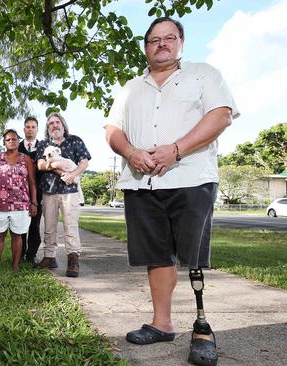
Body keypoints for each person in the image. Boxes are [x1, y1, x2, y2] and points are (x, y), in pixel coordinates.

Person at [104, 17, 238, 366]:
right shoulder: (131, 87)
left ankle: (202, 328)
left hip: (191, 178)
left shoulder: (204, 74)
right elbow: (113, 130)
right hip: (142, 182)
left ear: (180, 42)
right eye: (154, 39)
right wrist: (132, 153)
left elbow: (221, 115)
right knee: (157, 254)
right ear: (145, 46)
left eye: (169, 38)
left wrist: (175, 149)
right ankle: (161, 323)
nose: (161, 44)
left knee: (193, 255)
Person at [35, 113, 90, 277]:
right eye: (50, 123)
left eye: (57, 122)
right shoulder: (44, 143)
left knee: (70, 226)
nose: (54, 125)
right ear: (47, 127)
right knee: (49, 227)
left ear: (63, 124)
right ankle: (49, 257)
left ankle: (73, 260)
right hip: (49, 191)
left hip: (69, 192)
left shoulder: (75, 140)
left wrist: (73, 175)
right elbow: (40, 164)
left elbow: (84, 162)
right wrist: (59, 169)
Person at [0, 129, 37, 272]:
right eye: (8, 140)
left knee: (17, 236)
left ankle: (15, 266)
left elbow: (32, 182)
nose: (11, 142)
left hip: (21, 204)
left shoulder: (25, 159)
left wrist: (34, 202)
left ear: (18, 141)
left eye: (14, 139)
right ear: (4, 143)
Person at [17, 116, 43, 265]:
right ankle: (19, 254)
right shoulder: (17, 148)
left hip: (37, 193)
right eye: (28, 127)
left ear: (37, 130)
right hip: (18, 193)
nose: (30, 130)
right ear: (24, 129)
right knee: (20, 225)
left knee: (34, 225)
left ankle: (31, 254)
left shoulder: (43, 147)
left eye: (33, 127)